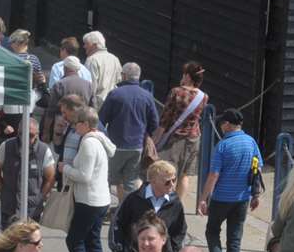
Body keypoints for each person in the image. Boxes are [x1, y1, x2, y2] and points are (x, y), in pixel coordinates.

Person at [199, 108, 261, 252]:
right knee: (234, 238)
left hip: (221, 198)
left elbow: (214, 175)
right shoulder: (251, 142)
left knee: (212, 231)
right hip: (242, 198)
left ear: (227, 124)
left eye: (221, 123)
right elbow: (257, 170)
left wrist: (203, 198)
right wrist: (255, 195)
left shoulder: (223, 146)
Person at [60, 106, 115, 252]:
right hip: (100, 199)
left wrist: (65, 168)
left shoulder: (89, 143)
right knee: (92, 241)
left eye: (76, 124)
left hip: (90, 200)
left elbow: (84, 175)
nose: (74, 128)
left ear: (85, 124)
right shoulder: (99, 139)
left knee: (75, 240)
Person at [98, 63, 157, 197]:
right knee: (130, 182)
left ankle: (105, 208)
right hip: (137, 146)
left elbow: (101, 120)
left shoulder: (115, 94)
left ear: (124, 76)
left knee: (106, 179)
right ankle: (126, 212)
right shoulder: (147, 96)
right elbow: (154, 123)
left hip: (115, 145)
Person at [155, 62, 208, 201]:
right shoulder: (203, 96)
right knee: (185, 175)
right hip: (193, 138)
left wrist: (156, 140)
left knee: (169, 173)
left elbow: (165, 120)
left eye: (184, 74)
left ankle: (164, 203)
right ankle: (177, 206)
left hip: (175, 138)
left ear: (188, 77)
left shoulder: (176, 92)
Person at [113, 160, 188, 252]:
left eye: (174, 180)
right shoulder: (134, 199)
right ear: (153, 181)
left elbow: (180, 229)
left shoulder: (175, 203)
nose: (172, 185)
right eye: (167, 182)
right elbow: (118, 223)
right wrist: (122, 251)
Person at [0, 117, 54, 231]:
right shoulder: (6, 146)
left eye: (30, 135)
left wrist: (40, 197)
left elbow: (50, 178)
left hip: (32, 210)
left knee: (30, 244)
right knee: (9, 245)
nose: (25, 138)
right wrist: (5, 192)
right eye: (21, 134)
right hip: (9, 209)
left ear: (37, 134)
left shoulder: (44, 150)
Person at [43, 58, 94, 142]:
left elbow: (51, 110)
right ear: (77, 69)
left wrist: (46, 132)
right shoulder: (88, 85)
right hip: (82, 127)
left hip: (61, 127)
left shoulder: (59, 84)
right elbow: (93, 108)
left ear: (65, 68)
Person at [82, 31, 122, 103]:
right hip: (112, 102)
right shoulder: (115, 59)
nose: (84, 46)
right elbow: (119, 80)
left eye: (86, 44)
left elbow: (89, 86)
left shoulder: (92, 60)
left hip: (96, 104)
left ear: (94, 45)